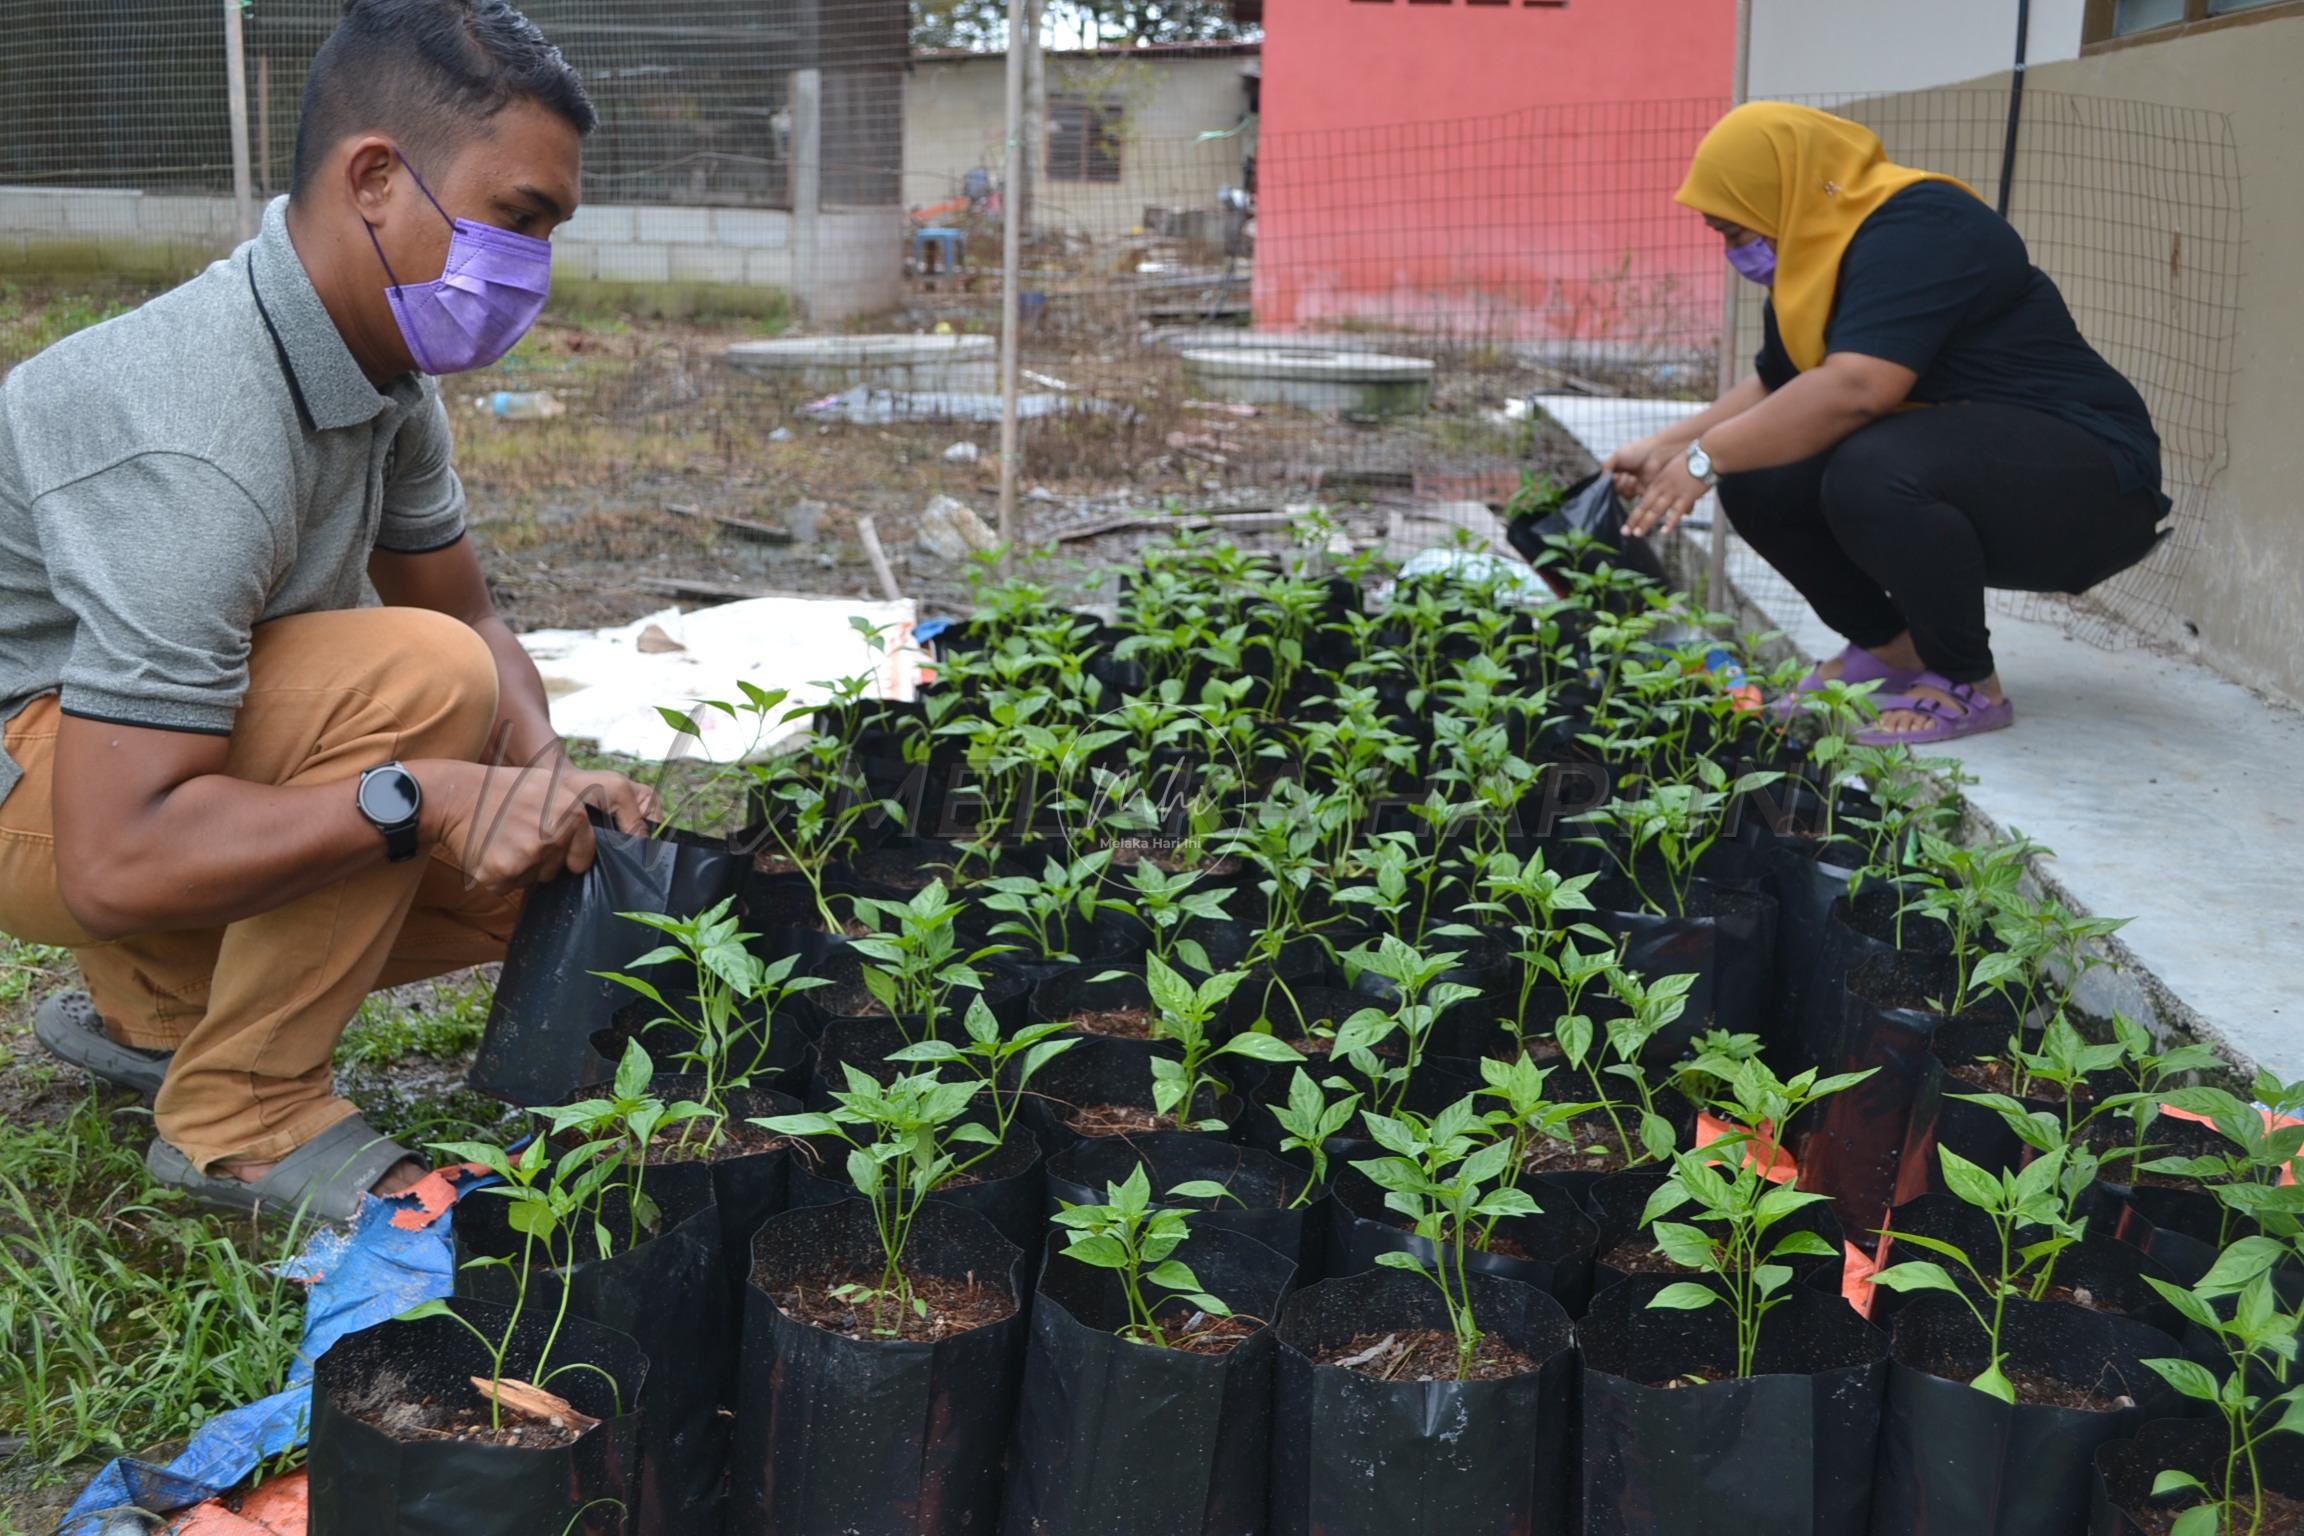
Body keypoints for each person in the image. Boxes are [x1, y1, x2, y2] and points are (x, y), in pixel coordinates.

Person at [0, 0, 658, 1221]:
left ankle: (165, 1009)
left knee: (536, 857)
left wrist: (547, 780)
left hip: (134, 754)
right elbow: (112, 857)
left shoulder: (381, 371)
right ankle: (241, 1118)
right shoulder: (199, 429)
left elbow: (474, 612)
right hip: (48, 793)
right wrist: (432, 796)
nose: (535, 270)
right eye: (518, 219)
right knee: (421, 692)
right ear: (374, 179)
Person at [1604, 102, 2168, 745]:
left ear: (1781, 188)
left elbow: (1857, 389)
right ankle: (1894, 651)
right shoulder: (1816, 259)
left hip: (2090, 480)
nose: (1737, 251)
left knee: (1869, 467)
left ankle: (1965, 680)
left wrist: (1704, 458)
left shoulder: (1921, 226)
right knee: (1762, 478)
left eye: (1735, 231)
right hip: (1979, 465)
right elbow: (1779, 384)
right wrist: (1663, 448)